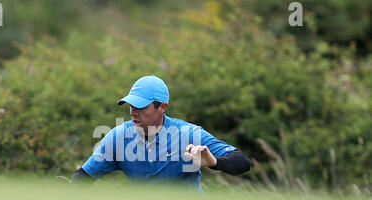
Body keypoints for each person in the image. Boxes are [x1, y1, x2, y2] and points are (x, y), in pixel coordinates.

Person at [71, 75, 251, 191]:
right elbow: (82, 178)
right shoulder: (119, 137)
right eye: (131, 106)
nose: (133, 112)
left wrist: (214, 161)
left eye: (141, 106)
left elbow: (242, 162)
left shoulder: (188, 134)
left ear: (162, 107)